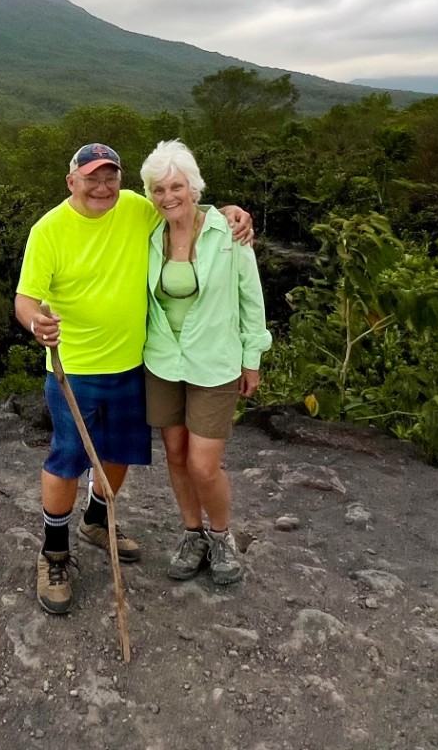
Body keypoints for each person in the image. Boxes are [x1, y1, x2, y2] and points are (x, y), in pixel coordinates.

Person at [15, 142, 253, 614]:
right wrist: (34, 322)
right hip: (76, 368)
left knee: (120, 452)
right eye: (92, 178)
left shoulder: (137, 209)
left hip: (133, 363)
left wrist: (229, 212)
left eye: (110, 177)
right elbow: (26, 297)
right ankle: (54, 553)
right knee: (67, 459)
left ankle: (97, 520)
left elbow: (185, 210)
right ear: (72, 182)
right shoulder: (49, 230)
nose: (102, 187)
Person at [139, 139, 271, 586]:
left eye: (176, 186)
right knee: (175, 455)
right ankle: (191, 533)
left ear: (193, 187)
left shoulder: (227, 233)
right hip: (162, 360)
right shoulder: (147, 232)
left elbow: (251, 300)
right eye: (157, 189)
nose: (167, 196)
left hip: (214, 362)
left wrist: (252, 359)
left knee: (202, 464)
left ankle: (221, 537)